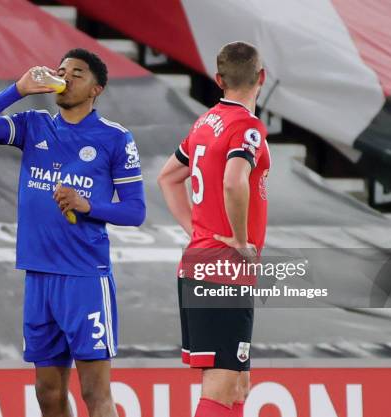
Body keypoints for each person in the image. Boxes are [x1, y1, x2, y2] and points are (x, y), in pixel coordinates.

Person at [0, 48, 145, 417]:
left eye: (78, 73)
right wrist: (18, 89)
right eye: (62, 70)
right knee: (47, 393)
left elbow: (135, 211)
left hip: (84, 279)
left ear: (97, 89)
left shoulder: (114, 138)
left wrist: (88, 205)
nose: (66, 77)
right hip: (39, 275)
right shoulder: (34, 125)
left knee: (95, 393)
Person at [157, 41, 270, 417]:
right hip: (225, 267)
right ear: (262, 78)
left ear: (219, 80)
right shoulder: (248, 127)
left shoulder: (205, 123)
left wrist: (198, 230)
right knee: (222, 387)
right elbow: (233, 181)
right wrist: (239, 240)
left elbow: (169, 177)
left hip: (202, 263)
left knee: (238, 384)